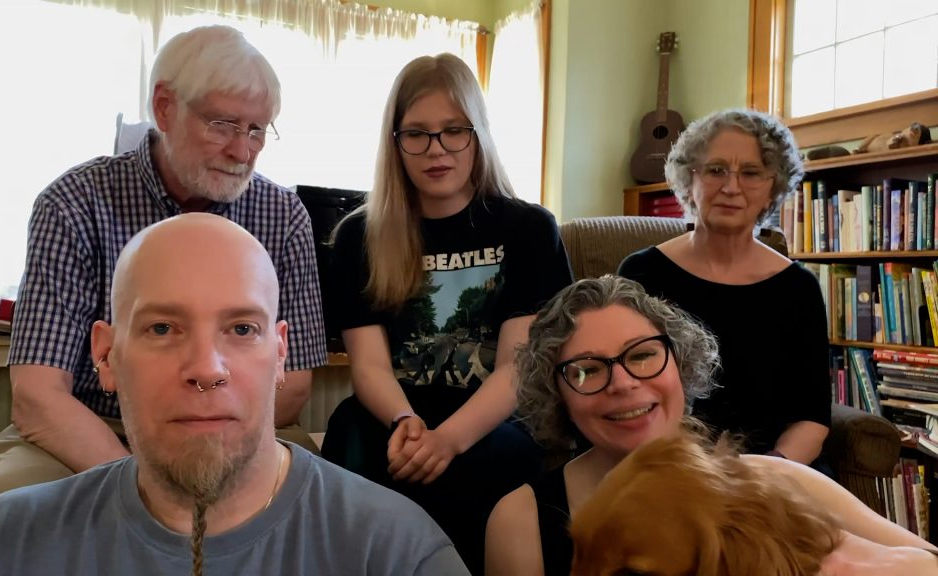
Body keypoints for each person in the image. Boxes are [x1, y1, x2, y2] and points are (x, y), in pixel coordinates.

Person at [0, 25, 327, 535]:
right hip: (90, 425)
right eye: (222, 125)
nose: (242, 151)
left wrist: (208, 445)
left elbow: (292, 384)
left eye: (257, 130)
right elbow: (38, 395)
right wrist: (143, 486)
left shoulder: (284, 215)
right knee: (2, 516)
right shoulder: (74, 202)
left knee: (329, 516)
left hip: (235, 428)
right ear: (164, 107)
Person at [0, 213, 468, 576]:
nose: (207, 370)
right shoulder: (1, 546)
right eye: (163, 328)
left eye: (242, 329)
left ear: (281, 353)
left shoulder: (398, 554)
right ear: (107, 355)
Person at [485, 276, 938, 576]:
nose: (622, 383)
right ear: (558, 395)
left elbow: (924, 563)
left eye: (642, 355)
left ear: (680, 365)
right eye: (587, 370)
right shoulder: (521, 519)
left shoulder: (775, 481)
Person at [321, 53, 574, 574]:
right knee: (348, 429)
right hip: (396, 414)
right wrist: (408, 423)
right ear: (395, 142)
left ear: (478, 134)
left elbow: (518, 366)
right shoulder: (357, 236)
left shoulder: (529, 229)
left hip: (494, 414)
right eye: (416, 133)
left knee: (493, 458)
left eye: (454, 131)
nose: (436, 149)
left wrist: (448, 440)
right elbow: (369, 366)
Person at [618, 108, 830, 465]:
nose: (731, 188)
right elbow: (624, 391)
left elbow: (811, 419)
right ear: (690, 180)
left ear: (773, 188)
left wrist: (762, 473)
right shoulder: (642, 273)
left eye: (751, 173)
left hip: (773, 468)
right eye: (716, 170)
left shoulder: (799, 288)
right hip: (668, 462)